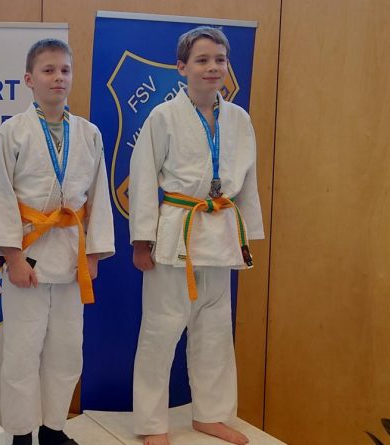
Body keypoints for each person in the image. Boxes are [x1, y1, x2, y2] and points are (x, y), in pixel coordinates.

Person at [128, 26, 264, 445]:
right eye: (202, 60)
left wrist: (246, 236)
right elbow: (143, 177)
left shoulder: (239, 119)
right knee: (161, 330)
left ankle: (212, 414)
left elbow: (248, 181)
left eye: (220, 60)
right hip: (177, 235)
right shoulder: (163, 116)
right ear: (182, 67)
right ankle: (152, 423)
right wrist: (142, 241)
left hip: (220, 233)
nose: (212, 67)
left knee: (215, 331)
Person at [0, 38, 115, 445]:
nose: (58, 77)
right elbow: (0, 196)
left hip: (73, 256)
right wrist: (12, 257)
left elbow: (99, 197)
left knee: (67, 349)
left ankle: (54, 427)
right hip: (29, 253)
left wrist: (93, 254)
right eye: (48, 70)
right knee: (22, 351)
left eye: (64, 70)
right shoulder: (12, 132)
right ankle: (21, 433)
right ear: (29, 79)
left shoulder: (89, 133)